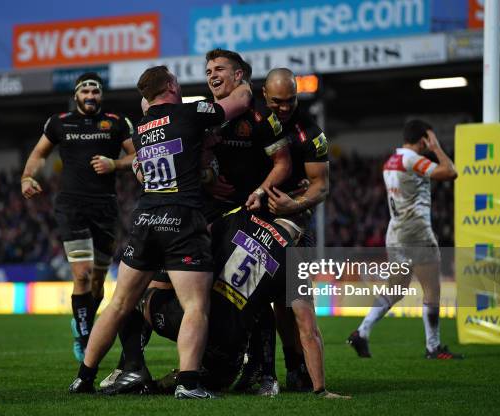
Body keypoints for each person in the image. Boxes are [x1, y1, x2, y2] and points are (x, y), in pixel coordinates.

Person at [68, 66, 252, 399]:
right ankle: (188, 383)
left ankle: (83, 378)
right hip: (182, 218)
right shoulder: (189, 113)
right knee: (195, 306)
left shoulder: (139, 128)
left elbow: (141, 165)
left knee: (119, 304)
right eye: (177, 82)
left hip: (145, 218)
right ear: (170, 85)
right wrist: (241, 81)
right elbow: (237, 103)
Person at [101, 208, 350, 400]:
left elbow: (196, 245)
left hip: (187, 321)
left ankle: (133, 366)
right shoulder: (294, 264)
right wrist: (320, 389)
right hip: (227, 352)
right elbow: (309, 332)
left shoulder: (241, 219)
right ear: (300, 236)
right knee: (257, 314)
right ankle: (261, 375)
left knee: (133, 297)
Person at [21, 72, 134, 362]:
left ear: (101, 96)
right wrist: (27, 177)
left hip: (106, 208)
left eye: (95, 92)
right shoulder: (59, 123)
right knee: (81, 275)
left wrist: (115, 164)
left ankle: (81, 319)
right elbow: (38, 154)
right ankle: (84, 336)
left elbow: (139, 157)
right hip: (71, 207)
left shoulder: (118, 123)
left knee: (97, 281)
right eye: (85, 92)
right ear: (76, 96)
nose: (91, 97)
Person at [238, 68, 331, 393]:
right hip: (251, 223)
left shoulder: (310, 133)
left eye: (290, 100)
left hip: (294, 226)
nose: (284, 107)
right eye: (277, 101)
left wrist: (293, 205)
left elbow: (321, 186)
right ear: (264, 94)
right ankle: (263, 369)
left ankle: (297, 370)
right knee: (264, 302)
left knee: (295, 302)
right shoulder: (248, 122)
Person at [347, 119, 463, 359]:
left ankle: (362, 331)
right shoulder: (413, 159)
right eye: (429, 138)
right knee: (432, 290)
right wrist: (437, 148)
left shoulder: (391, 161)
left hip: (396, 231)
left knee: (396, 289)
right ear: (424, 139)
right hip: (416, 231)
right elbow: (450, 172)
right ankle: (433, 348)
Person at [203, 49, 291, 218]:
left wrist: (258, 193)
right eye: (208, 72)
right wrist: (204, 178)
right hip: (207, 208)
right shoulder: (199, 112)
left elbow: (283, 163)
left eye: (219, 69)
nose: (212, 75)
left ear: (238, 75)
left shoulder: (262, 115)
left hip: (250, 208)